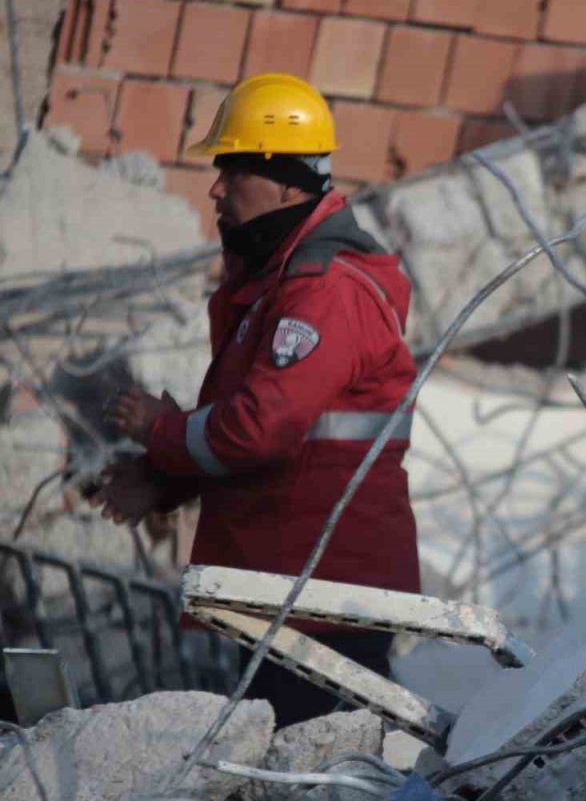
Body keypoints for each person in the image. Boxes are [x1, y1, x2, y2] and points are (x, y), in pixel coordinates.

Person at [96, 73, 421, 726]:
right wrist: (169, 479)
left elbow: (258, 429)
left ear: (281, 177)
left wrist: (163, 432)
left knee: (321, 766)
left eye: (232, 168)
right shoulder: (282, 280)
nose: (216, 188)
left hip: (327, 592)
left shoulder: (325, 290)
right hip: (290, 582)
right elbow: (290, 443)